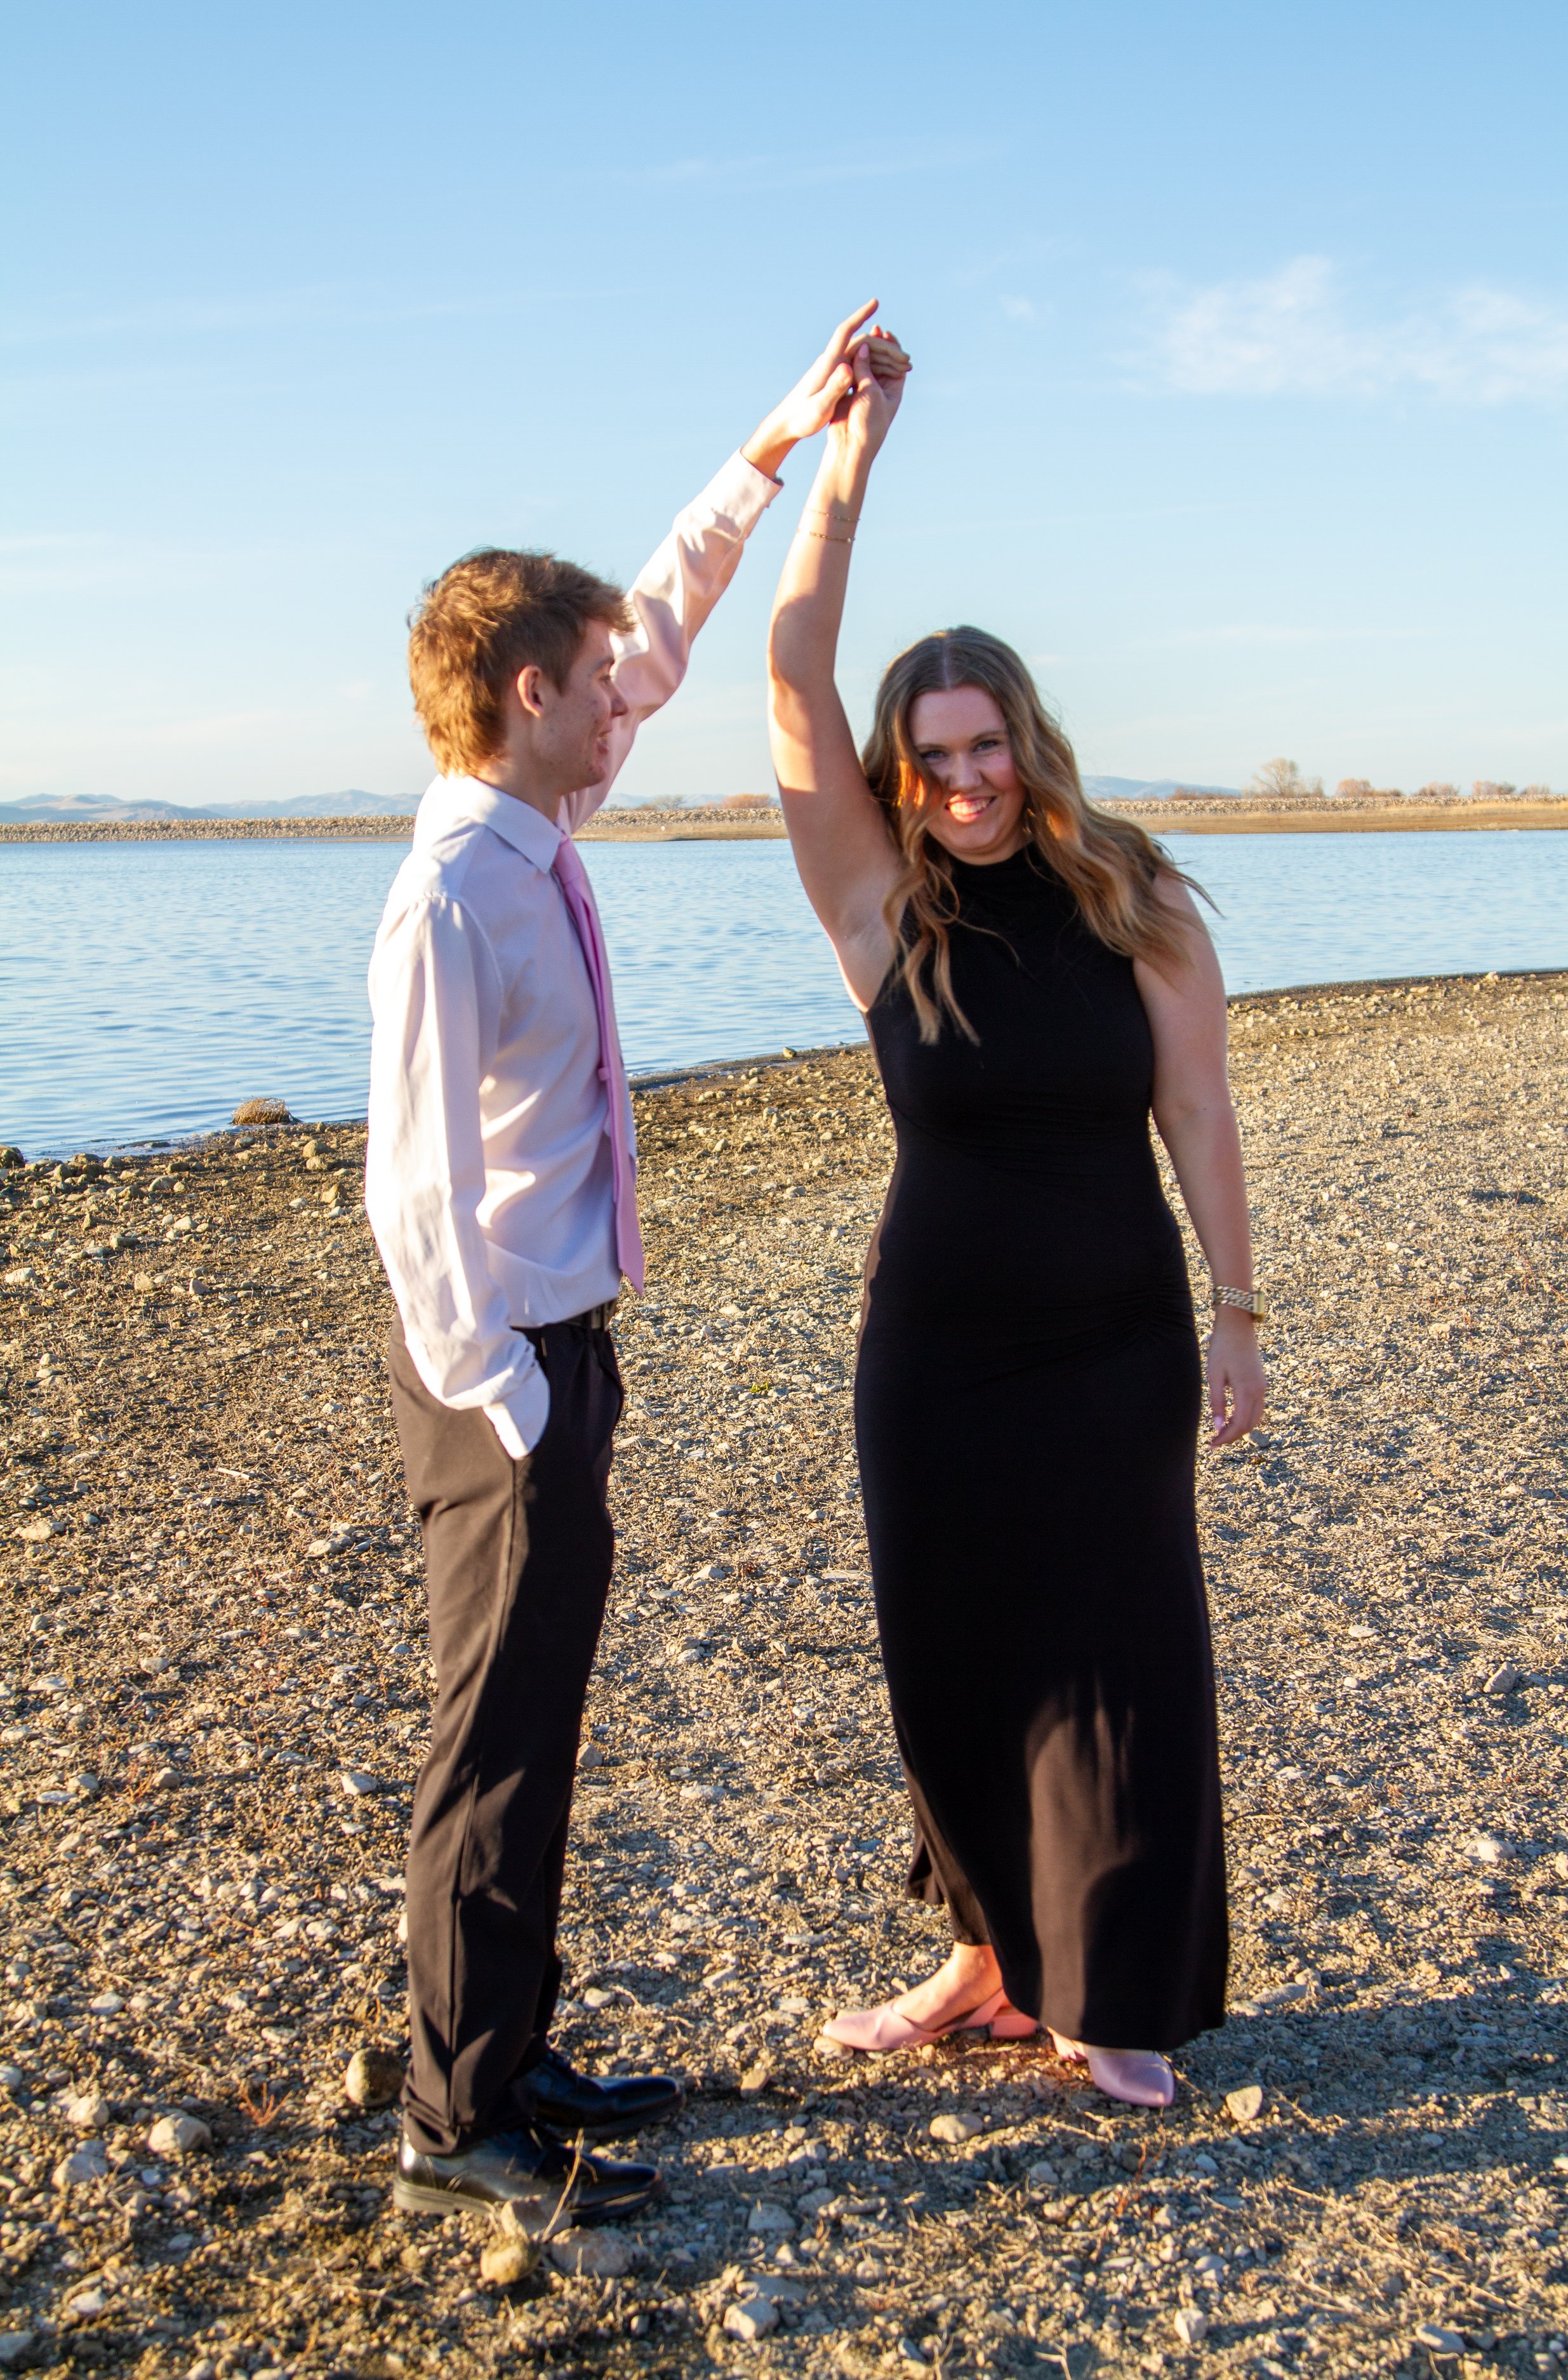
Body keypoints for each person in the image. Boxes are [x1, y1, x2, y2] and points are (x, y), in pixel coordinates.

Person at [364, 305, 911, 2230]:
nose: (633, 694)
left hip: (556, 1350)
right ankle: (457, 2125)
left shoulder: (536, 824)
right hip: (499, 1367)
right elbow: (409, 1191)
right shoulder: (448, 892)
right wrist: (514, 1396)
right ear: (526, 691)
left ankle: (503, 2050)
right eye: (598, 678)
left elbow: (667, 608)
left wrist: (775, 440)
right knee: (492, 1737)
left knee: (543, 1716)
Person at [766, 338, 1266, 2108]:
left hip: (1112, 1333)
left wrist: (1237, 1307)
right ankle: (983, 1962)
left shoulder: (1129, 892)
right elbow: (789, 668)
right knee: (953, 1648)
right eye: (932, 755)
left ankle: (1109, 1989)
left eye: (984, 745)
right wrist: (845, 454)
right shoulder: (876, 903)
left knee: (1122, 1645)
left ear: (1026, 738)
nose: (964, 779)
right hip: (935, 1354)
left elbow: (1195, 1108)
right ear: (899, 771)